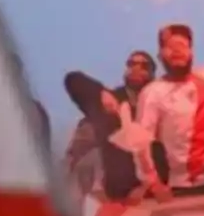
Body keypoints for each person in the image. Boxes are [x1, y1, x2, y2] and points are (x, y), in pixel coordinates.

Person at [133, 24, 204, 198]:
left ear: (191, 52)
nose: (177, 51)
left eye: (183, 45)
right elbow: (140, 143)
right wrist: (152, 183)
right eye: (170, 46)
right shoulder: (152, 93)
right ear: (160, 55)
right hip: (183, 188)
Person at [62, 50, 166, 200]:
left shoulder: (160, 104)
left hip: (154, 189)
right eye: (131, 64)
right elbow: (73, 80)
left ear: (152, 73)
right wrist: (100, 92)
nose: (136, 68)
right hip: (112, 190)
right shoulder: (112, 101)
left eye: (143, 65)